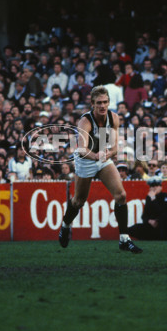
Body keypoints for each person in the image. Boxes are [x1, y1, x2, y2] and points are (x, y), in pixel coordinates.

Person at [58, 86, 142, 253]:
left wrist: (107, 154)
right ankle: (65, 225)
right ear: (92, 104)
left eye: (105, 102)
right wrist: (96, 156)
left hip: (103, 158)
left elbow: (116, 148)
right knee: (78, 201)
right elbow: (81, 148)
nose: (103, 106)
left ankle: (124, 239)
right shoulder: (85, 121)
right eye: (99, 103)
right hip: (86, 160)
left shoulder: (114, 118)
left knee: (121, 195)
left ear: (109, 102)